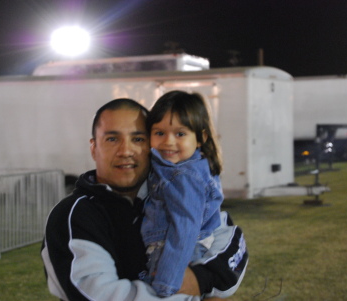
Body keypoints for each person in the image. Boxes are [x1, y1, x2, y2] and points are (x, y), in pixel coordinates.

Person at [41, 98, 248, 301]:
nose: (126, 151)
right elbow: (99, 294)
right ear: (94, 147)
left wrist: (200, 278)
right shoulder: (73, 215)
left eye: (138, 139)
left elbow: (232, 242)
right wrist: (189, 294)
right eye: (112, 139)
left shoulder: (167, 193)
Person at [141, 91, 227, 297]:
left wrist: (166, 283)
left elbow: (185, 228)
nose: (168, 142)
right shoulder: (192, 166)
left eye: (180, 134)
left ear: (200, 138)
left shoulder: (183, 176)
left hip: (173, 254)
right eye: (159, 133)